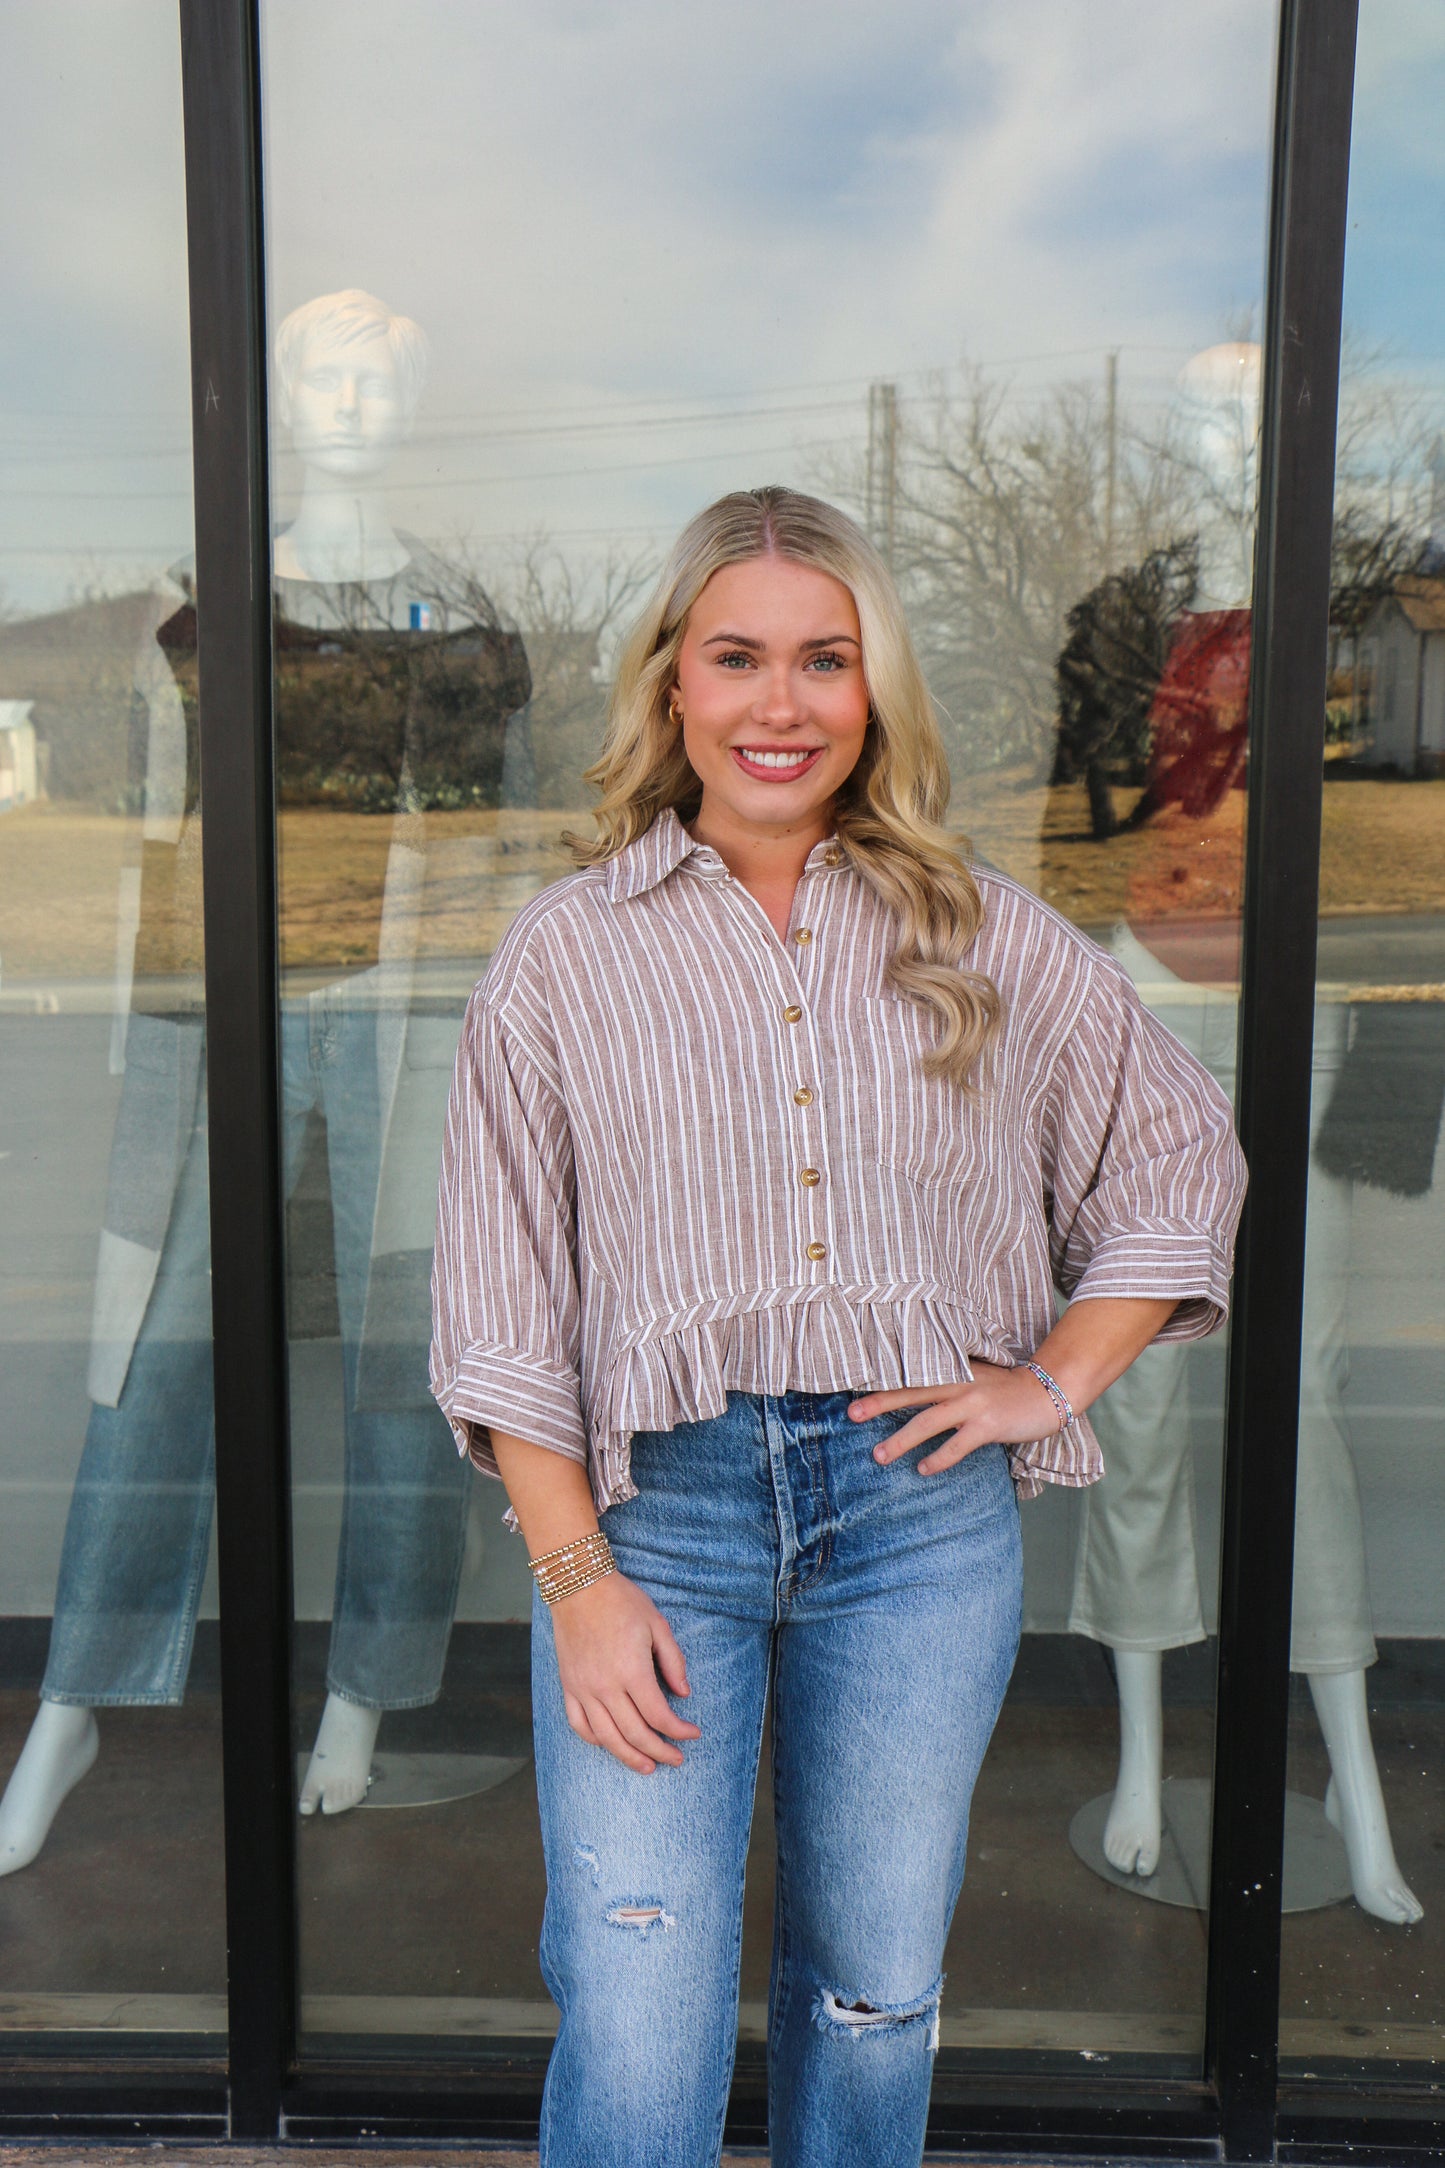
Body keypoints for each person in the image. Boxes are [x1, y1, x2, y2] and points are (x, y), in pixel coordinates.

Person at [430, 486, 1247, 2168]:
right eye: (736, 658)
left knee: (872, 1986)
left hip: (914, 1522)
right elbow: (499, 1298)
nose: (779, 704)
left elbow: (1178, 1157)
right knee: (639, 1998)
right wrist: (579, 1588)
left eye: (825, 660)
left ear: (873, 693)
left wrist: (1047, 1378)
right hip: (659, 1521)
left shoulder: (981, 932)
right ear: (672, 687)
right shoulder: (563, 962)